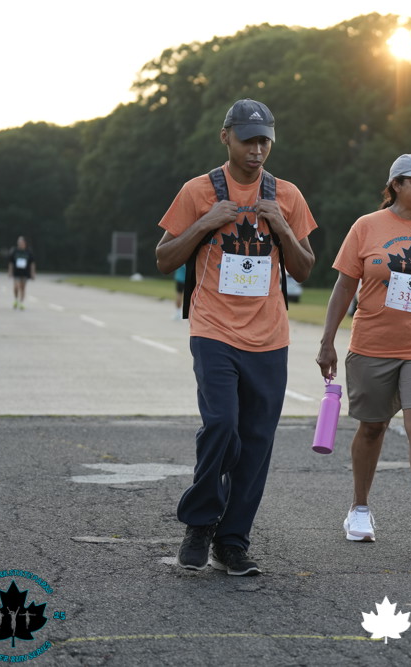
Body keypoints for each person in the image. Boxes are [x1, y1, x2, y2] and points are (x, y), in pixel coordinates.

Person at [155, 99, 317, 576]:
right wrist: (206, 222)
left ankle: (232, 541)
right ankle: (200, 522)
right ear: (226, 137)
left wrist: (281, 225)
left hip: (269, 336)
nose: (257, 149)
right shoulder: (197, 191)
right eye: (248, 139)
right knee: (222, 425)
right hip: (214, 329)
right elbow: (164, 258)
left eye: (265, 140)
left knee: (257, 440)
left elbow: (305, 268)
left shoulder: (287, 194)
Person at [316, 154, 411, 559]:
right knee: (373, 428)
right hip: (373, 345)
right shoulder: (367, 227)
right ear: (396, 184)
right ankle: (359, 509)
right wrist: (327, 341)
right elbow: (344, 288)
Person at [9, 236, 36, 310]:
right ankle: (16, 299)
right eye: (19, 243)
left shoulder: (28, 252)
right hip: (16, 272)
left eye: (21, 243)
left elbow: (32, 263)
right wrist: (10, 271)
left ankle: (21, 302)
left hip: (25, 272)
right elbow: (11, 262)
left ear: (24, 243)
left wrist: (33, 273)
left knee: (23, 288)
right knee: (16, 287)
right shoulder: (15, 251)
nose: (20, 244)